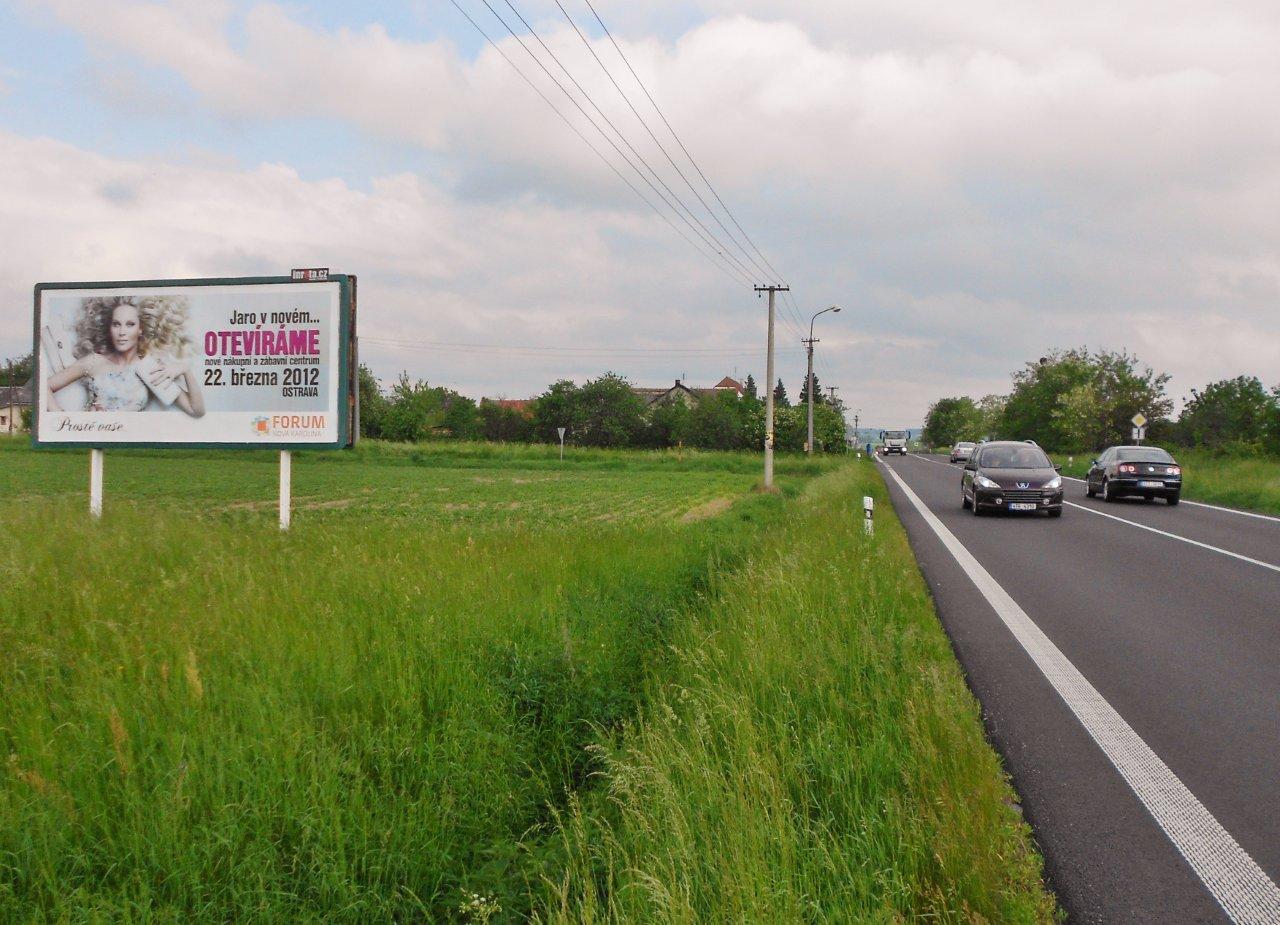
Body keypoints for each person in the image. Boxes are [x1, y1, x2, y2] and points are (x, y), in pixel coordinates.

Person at [46, 296, 205, 417]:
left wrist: (185, 369)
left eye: (130, 324)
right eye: (116, 324)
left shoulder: (150, 367)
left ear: (140, 329)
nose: (122, 332)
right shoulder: (94, 362)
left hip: (127, 448)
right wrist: (62, 419)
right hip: (93, 439)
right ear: (110, 329)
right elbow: (44, 387)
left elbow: (196, 410)